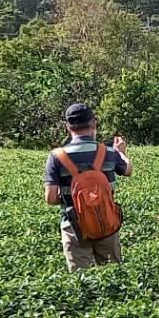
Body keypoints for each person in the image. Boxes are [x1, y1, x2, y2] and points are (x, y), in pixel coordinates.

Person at [45, 103, 132, 271]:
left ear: (67, 127)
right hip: (107, 222)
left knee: (82, 282)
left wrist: (76, 200)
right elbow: (128, 170)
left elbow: (50, 198)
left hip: (74, 227)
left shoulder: (56, 157)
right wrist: (121, 152)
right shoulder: (108, 152)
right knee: (113, 276)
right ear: (93, 124)